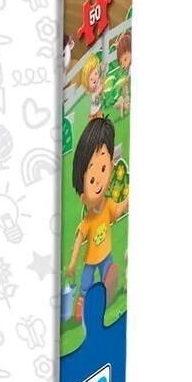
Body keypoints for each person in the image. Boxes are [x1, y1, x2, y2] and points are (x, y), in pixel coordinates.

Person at [64, 116, 129, 322]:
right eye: (91, 180)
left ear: (110, 165)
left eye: (103, 169)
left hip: (106, 254)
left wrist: (127, 200)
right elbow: (78, 241)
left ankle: (105, 295)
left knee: (108, 271)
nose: (99, 181)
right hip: (91, 259)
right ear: (83, 197)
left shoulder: (108, 205)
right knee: (86, 282)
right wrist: (72, 264)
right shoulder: (88, 220)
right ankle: (82, 301)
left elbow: (117, 212)